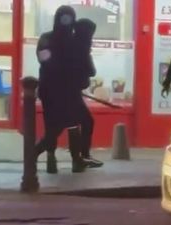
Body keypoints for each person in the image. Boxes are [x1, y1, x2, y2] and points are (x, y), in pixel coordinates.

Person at [35, 5, 86, 173]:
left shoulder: (71, 41)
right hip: (53, 91)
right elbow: (45, 60)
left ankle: (74, 160)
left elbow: (81, 64)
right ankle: (48, 156)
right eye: (64, 17)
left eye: (69, 18)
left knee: (70, 126)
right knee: (57, 126)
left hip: (65, 90)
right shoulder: (48, 39)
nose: (66, 21)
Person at [72, 18, 104, 168]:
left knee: (73, 124)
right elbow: (92, 71)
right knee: (86, 122)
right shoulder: (82, 48)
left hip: (71, 92)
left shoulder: (71, 44)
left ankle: (80, 157)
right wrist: (88, 55)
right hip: (72, 93)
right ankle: (83, 156)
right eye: (91, 34)